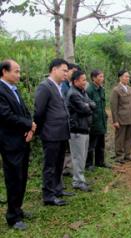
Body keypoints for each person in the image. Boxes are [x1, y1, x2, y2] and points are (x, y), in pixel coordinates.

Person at [0, 59, 36, 230]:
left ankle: (18, 209)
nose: (18, 75)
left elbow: (24, 111)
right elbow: (6, 116)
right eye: (16, 71)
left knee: (21, 176)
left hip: (22, 139)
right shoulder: (1, 90)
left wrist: (30, 128)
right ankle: (12, 217)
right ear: (4, 72)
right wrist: (28, 125)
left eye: (19, 71)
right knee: (13, 178)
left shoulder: (13, 89)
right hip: (10, 142)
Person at [34, 58, 74, 206]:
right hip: (51, 133)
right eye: (64, 70)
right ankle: (48, 195)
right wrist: (41, 130)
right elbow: (39, 112)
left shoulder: (58, 86)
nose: (66, 73)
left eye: (67, 71)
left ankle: (58, 189)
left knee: (58, 164)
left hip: (61, 132)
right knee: (50, 165)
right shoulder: (45, 87)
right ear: (54, 69)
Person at [66, 70, 96, 191]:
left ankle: (80, 179)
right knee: (78, 157)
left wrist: (89, 105)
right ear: (75, 81)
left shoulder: (82, 92)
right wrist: (88, 105)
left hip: (84, 129)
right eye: (83, 80)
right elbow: (85, 109)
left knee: (82, 156)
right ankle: (77, 181)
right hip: (77, 130)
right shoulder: (73, 94)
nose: (85, 82)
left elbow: (92, 104)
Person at [110, 70, 131, 163]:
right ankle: (119, 155)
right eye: (126, 76)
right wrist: (115, 120)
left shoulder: (129, 88)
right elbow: (114, 107)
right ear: (120, 77)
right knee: (120, 137)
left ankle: (127, 154)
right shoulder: (116, 90)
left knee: (129, 137)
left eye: (128, 77)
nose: (127, 78)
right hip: (122, 117)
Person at [86, 69, 110, 170]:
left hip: (101, 121)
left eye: (102, 77)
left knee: (101, 143)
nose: (102, 79)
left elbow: (102, 105)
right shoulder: (89, 90)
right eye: (100, 77)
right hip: (94, 122)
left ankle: (100, 162)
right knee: (91, 144)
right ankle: (89, 164)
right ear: (93, 78)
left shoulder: (102, 89)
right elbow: (88, 106)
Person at [62, 63, 80, 177]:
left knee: (69, 147)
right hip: (65, 120)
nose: (74, 74)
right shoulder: (63, 86)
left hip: (72, 120)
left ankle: (68, 167)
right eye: (72, 72)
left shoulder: (69, 85)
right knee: (65, 147)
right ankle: (64, 168)